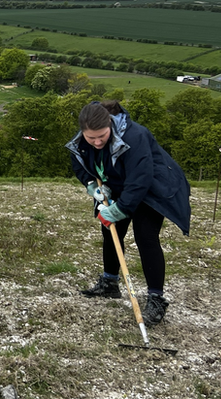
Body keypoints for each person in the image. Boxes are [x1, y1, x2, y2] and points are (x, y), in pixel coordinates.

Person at [65, 100, 191, 325]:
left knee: (145, 236)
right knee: (110, 231)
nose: (96, 142)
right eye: (90, 137)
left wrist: (120, 209)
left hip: (152, 187)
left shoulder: (135, 136)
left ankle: (155, 299)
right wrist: (93, 186)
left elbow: (140, 179)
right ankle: (110, 283)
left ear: (110, 126)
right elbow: (79, 163)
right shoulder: (82, 141)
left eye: (101, 136)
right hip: (119, 185)